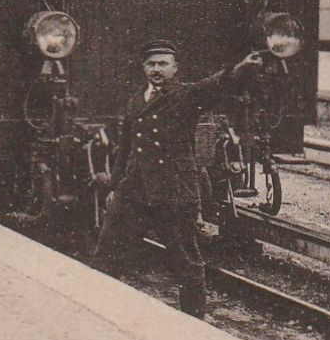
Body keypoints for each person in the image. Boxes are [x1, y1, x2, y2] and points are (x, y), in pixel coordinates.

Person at [90, 38, 264, 320]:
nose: (156, 69)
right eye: (151, 64)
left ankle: (194, 321)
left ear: (174, 68)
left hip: (172, 190)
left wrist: (241, 69)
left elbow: (215, 86)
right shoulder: (137, 100)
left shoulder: (185, 96)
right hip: (134, 189)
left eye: (162, 64)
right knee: (107, 252)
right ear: (143, 67)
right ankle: (99, 314)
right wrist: (114, 186)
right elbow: (125, 149)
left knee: (186, 261)